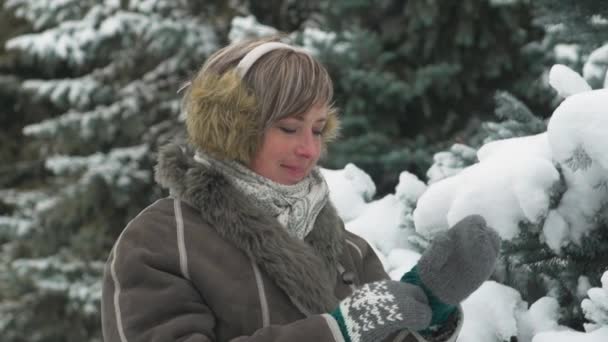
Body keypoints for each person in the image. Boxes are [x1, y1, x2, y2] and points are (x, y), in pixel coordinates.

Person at [101, 37, 501, 342]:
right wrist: (335, 332)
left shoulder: (349, 250)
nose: (309, 149)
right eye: (289, 128)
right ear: (232, 126)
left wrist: (426, 307)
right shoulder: (159, 243)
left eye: (318, 129)